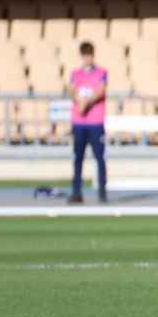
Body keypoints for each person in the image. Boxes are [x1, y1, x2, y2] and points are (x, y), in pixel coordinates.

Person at [68, 41, 108, 204]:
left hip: (95, 121)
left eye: (89, 56)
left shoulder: (101, 72)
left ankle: (102, 191)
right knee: (78, 157)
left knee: (99, 157)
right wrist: (79, 102)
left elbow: (101, 89)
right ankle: (77, 192)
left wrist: (87, 102)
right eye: (85, 56)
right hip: (79, 122)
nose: (87, 59)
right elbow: (71, 90)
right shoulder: (75, 74)